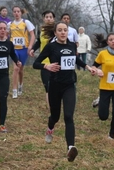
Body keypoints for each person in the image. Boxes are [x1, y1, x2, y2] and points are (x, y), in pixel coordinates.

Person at [33, 22, 94, 162]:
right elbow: (36, 63)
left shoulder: (72, 45)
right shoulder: (51, 47)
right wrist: (46, 66)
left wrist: (87, 67)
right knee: (55, 116)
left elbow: (75, 59)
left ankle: (70, 148)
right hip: (55, 85)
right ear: (55, 33)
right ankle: (50, 128)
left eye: (65, 30)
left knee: (68, 116)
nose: (62, 32)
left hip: (69, 86)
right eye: (59, 30)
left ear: (68, 32)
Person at [8, 6, 36, 99]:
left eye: (18, 11)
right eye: (14, 11)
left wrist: (30, 46)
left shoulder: (26, 22)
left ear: (21, 13)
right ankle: (14, 90)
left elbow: (32, 35)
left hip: (24, 49)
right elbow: (6, 35)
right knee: (15, 68)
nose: (16, 13)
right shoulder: (10, 24)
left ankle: (21, 84)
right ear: (12, 13)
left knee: (20, 70)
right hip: (14, 49)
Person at [30, 10, 55, 109]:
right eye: (46, 17)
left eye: (50, 17)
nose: (48, 18)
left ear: (53, 19)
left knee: (56, 86)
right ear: (43, 19)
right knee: (48, 87)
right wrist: (33, 49)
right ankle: (51, 109)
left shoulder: (56, 30)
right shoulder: (41, 30)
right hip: (44, 62)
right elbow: (39, 41)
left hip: (55, 62)